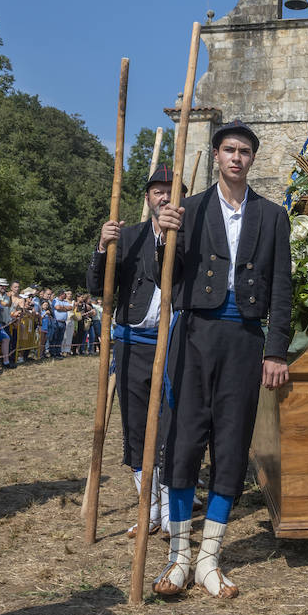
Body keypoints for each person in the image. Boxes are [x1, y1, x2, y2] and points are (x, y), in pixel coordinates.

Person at [152, 121, 292, 598]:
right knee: (186, 437)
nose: (237, 157)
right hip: (194, 335)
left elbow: (281, 288)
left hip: (246, 340)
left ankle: (210, 558)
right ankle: (179, 557)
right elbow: (161, 277)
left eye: (245, 151)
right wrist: (160, 236)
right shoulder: (188, 210)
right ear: (215, 155)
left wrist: (276, 349)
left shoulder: (272, 216)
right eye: (229, 149)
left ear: (253, 160)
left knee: (231, 443)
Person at [86, 164, 184, 538]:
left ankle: (168, 505)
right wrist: (102, 246)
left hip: (173, 346)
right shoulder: (127, 237)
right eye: (157, 191)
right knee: (137, 428)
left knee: (169, 428)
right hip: (131, 347)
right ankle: (148, 509)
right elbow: (98, 287)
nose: (163, 197)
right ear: (148, 198)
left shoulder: (190, 238)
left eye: (170, 191)